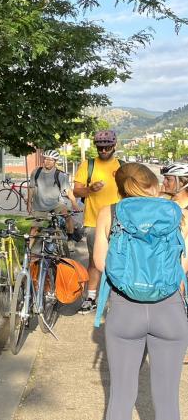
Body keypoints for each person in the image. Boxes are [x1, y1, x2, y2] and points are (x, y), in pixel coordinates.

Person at [93, 163, 188, 420]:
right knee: (168, 400)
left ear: (121, 188)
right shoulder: (176, 212)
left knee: (121, 396)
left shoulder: (109, 212)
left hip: (124, 310)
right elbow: (182, 266)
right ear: (154, 185)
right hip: (169, 310)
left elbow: (101, 263)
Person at [73, 129, 122, 314]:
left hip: (119, 222)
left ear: (114, 146)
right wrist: (90, 189)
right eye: (100, 147)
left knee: (119, 260)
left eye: (107, 146)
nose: (103, 150)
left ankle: (119, 300)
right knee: (95, 261)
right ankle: (91, 298)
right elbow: (76, 192)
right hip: (94, 222)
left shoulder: (121, 166)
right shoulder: (88, 165)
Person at [26, 150, 79, 240]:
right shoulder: (36, 172)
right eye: (46, 159)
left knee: (67, 216)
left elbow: (68, 191)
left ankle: (70, 238)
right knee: (34, 229)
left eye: (51, 160)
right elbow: (31, 187)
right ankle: (29, 252)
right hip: (40, 206)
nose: (48, 162)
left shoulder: (60, 174)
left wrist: (74, 204)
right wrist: (29, 203)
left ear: (55, 161)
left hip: (56, 204)